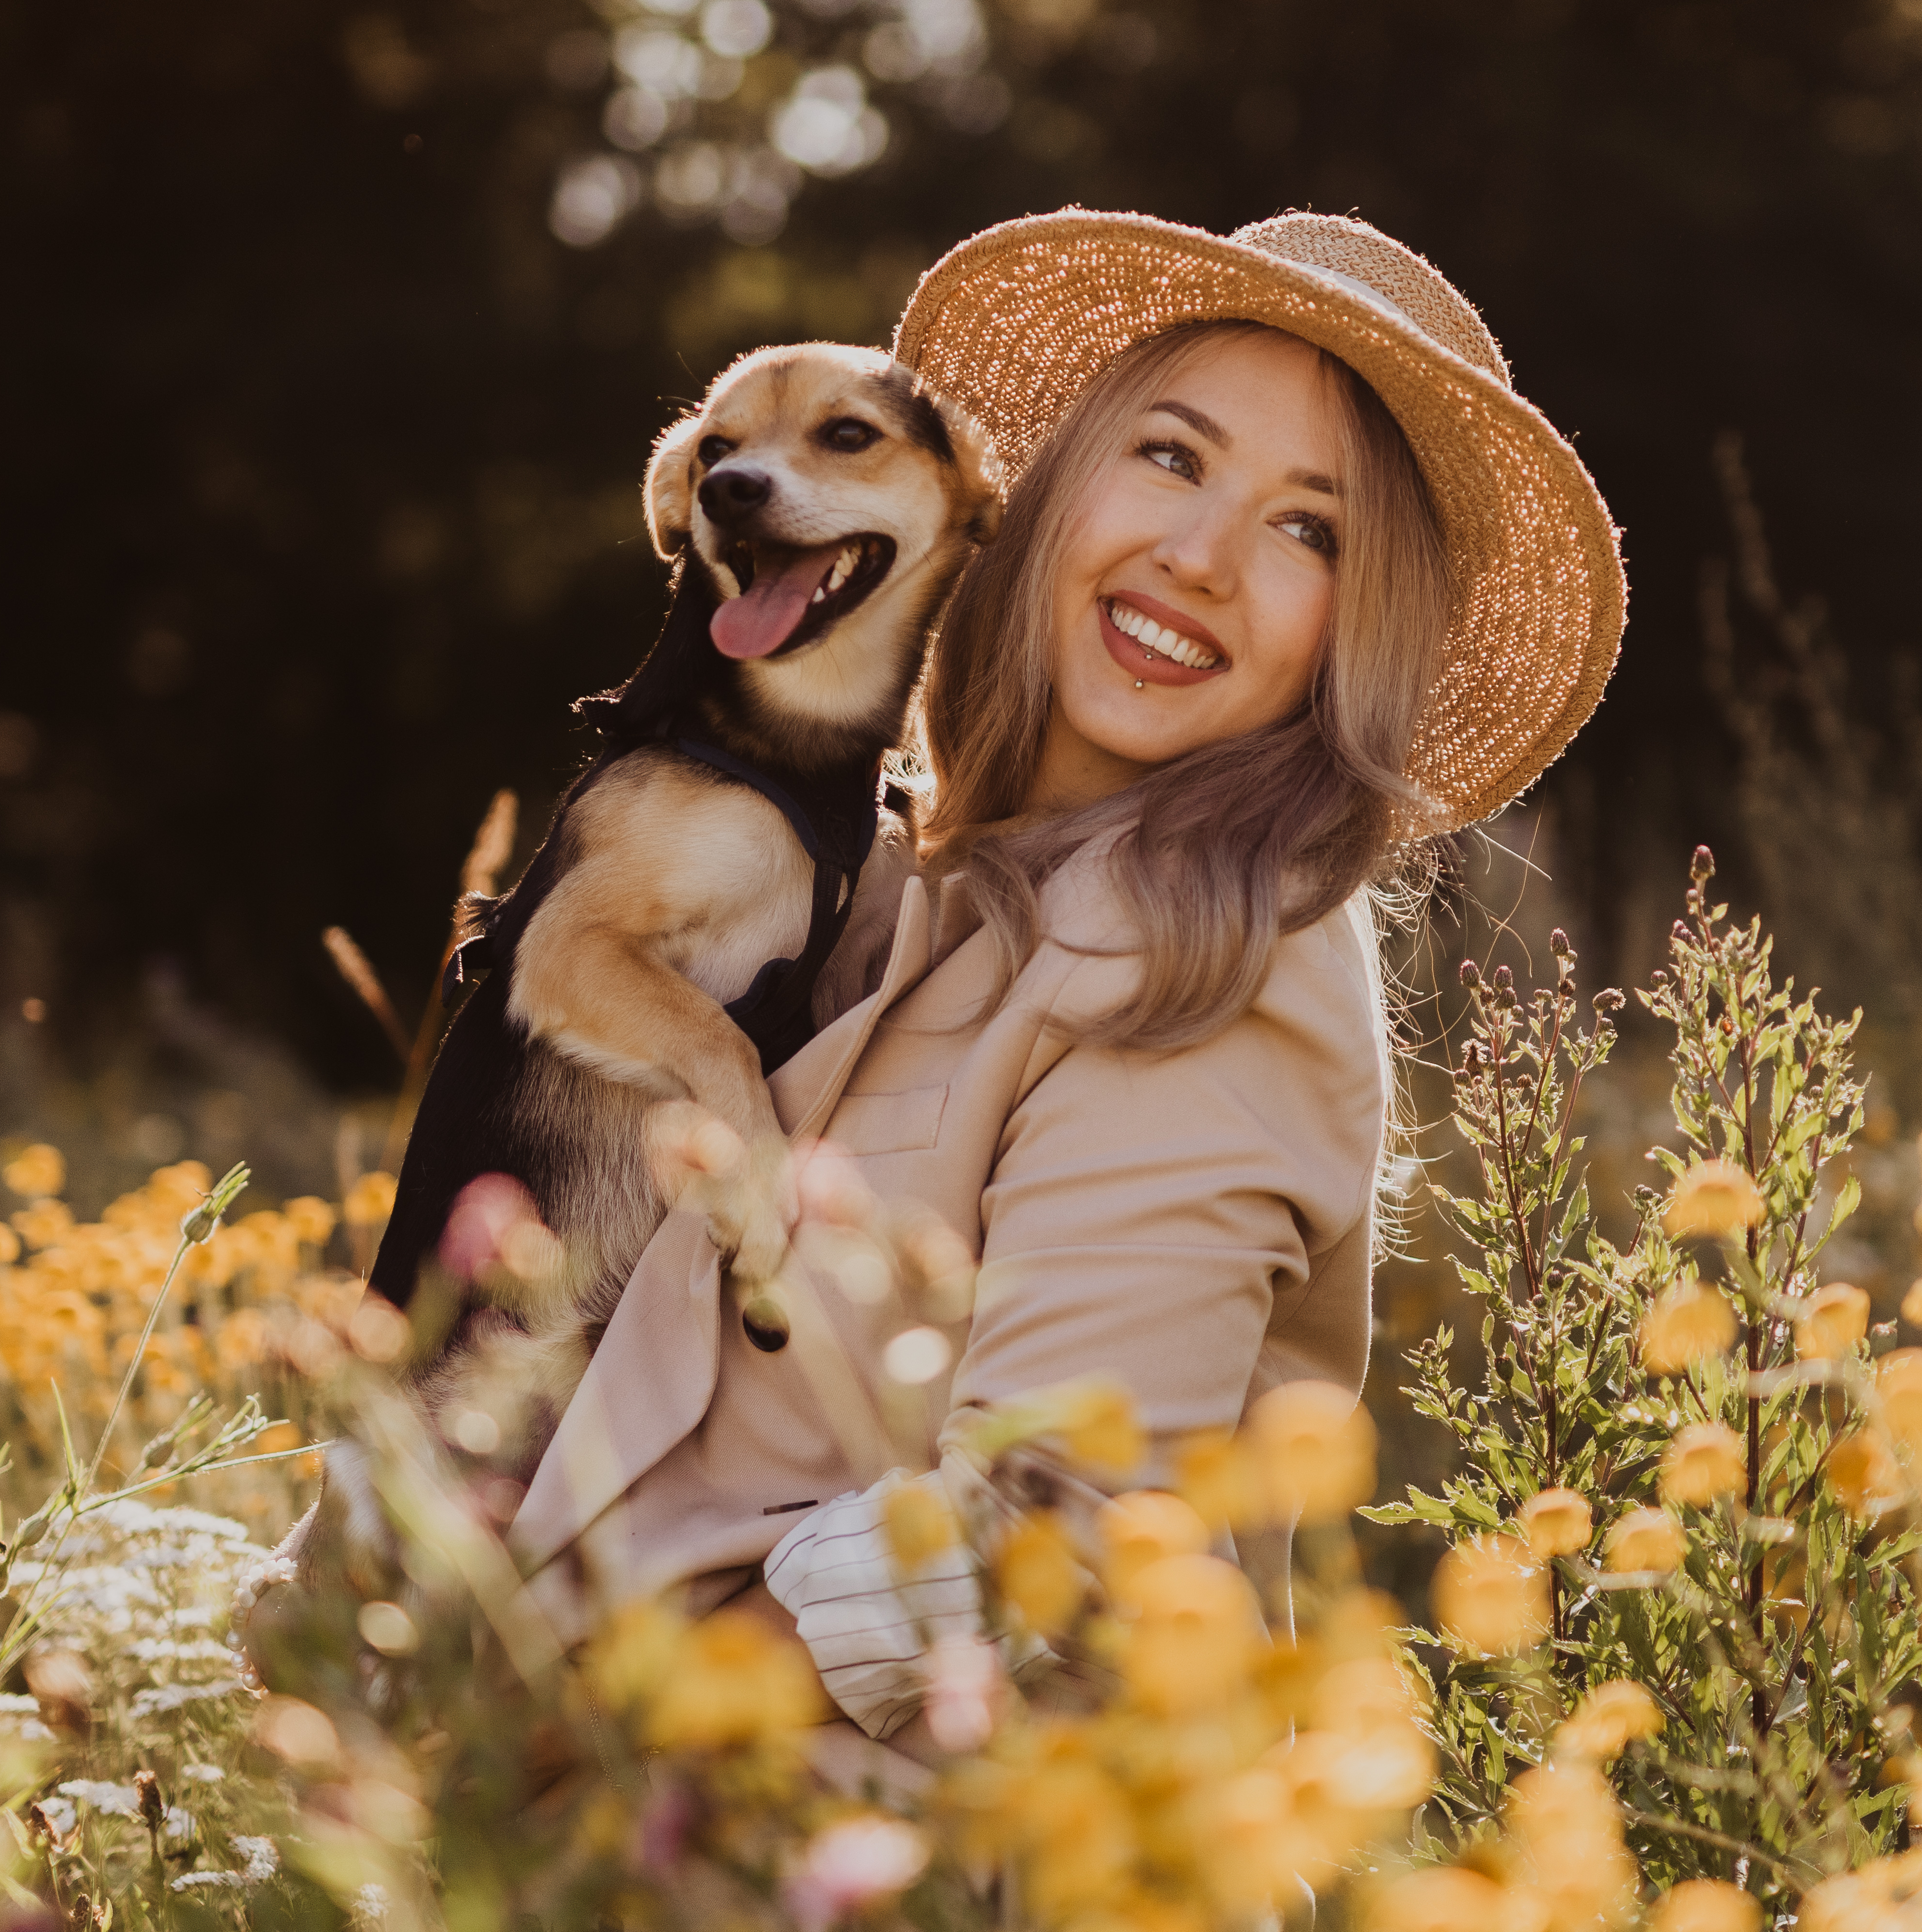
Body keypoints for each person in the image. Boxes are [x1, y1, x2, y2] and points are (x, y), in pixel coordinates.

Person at [508, 209, 1625, 1774]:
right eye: (1171, 457)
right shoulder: (904, 883)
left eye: (1312, 532)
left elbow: (1048, 1538)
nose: (1201, 557)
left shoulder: (1222, 948)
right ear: (1042, 485)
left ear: (1349, 639)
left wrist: (554, 1739)